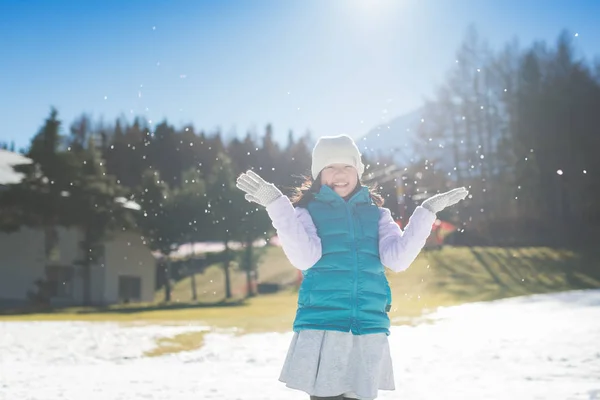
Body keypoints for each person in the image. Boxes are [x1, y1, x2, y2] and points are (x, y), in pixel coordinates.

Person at [236, 134, 468, 400]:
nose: (340, 173)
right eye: (330, 166)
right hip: (325, 326)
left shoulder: (378, 215)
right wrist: (278, 207)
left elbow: (398, 259)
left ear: (358, 172)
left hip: (368, 327)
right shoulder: (305, 213)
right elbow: (304, 258)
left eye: (347, 166)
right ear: (318, 174)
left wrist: (426, 212)